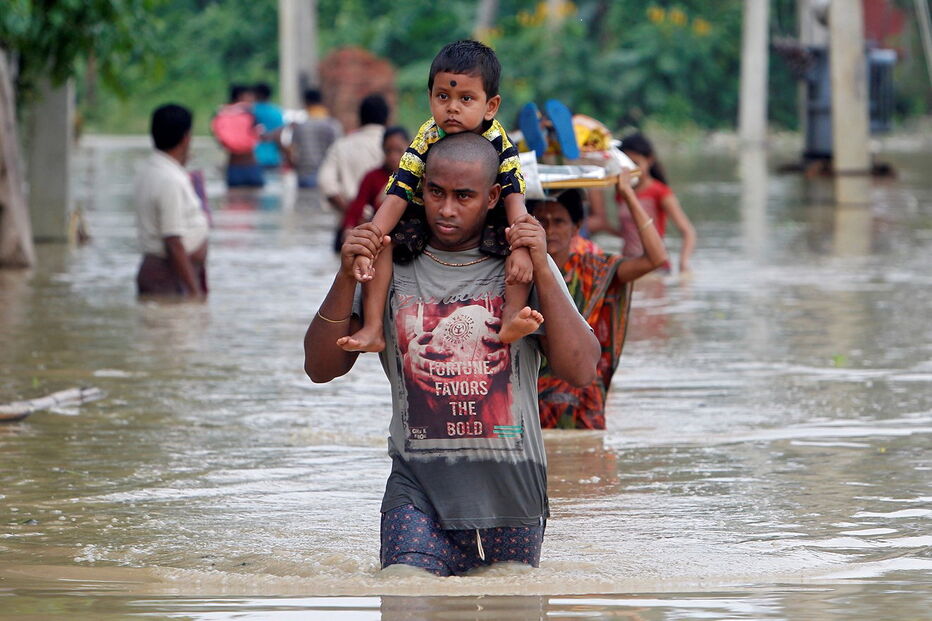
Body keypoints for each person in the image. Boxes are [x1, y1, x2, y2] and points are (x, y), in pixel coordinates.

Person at [304, 133, 599, 577]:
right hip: (417, 491)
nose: (446, 209)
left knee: (511, 598)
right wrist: (347, 275)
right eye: (436, 192)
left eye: (463, 196)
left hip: (512, 497)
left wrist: (540, 263)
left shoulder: (520, 267)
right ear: (420, 190)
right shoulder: (389, 266)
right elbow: (320, 368)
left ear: (492, 197)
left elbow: (581, 369)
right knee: (403, 589)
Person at [339, 40, 533, 355]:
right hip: (423, 214)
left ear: (490, 106)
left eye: (466, 98)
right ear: (430, 97)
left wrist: (522, 248)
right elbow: (398, 194)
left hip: (490, 217)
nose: (452, 107)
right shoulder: (426, 137)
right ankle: (373, 327)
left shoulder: (500, 142)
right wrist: (370, 240)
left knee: (522, 239)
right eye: (443, 96)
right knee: (384, 242)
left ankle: (511, 315)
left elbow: (514, 200)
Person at [532, 175, 668, 430]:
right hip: (532, 393)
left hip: (583, 397)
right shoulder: (520, 271)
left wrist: (628, 196)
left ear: (576, 227)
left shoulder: (595, 269)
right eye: (541, 221)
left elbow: (656, 258)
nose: (549, 230)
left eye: (559, 221)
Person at [134, 104, 209, 299]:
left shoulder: (152, 170)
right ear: (186, 138)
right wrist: (194, 292)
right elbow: (173, 242)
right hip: (168, 276)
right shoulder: (170, 179)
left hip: (162, 273)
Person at [607, 133, 696, 275]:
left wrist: (683, 263)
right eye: (627, 165)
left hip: (656, 268)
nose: (631, 170)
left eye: (636, 163)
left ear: (649, 160)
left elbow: (687, 232)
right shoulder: (621, 193)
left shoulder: (659, 192)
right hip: (630, 266)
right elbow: (628, 231)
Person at [318, 94, 388, 212]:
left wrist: (351, 212)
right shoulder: (395, 147)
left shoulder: (341, 145)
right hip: (387, 218)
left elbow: (325, 182)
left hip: (349, 220)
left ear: (360, 118)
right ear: (387, 119)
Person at [338, 126, 409, 236]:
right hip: (379, 234)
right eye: (388, 151)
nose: (393, 157)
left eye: (398, 150)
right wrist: (349, 230)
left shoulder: (416, 178)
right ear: (382, 149)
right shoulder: (372, 177)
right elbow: (356, 209)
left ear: (408, 148)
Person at [212, 84, 265, 188]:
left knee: (233, 197)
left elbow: (220, 141)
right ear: (240, 97)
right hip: (251, 166)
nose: (252, 99)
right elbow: (260, 136)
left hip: (233, 166)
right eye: (249, 96)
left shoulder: (221, 114)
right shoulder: (250, 114)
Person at [289, 88, 342, 189]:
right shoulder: (333, 125)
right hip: (328, 177)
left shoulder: (300, 127)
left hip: (305, 174)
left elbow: (292, 153)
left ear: (306, 102)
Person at [251, 82, 285, 169]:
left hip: (253, 159)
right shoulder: (277, 112)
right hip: (274, 158)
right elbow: (280, 136)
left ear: (256, 94)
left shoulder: (251, 111)